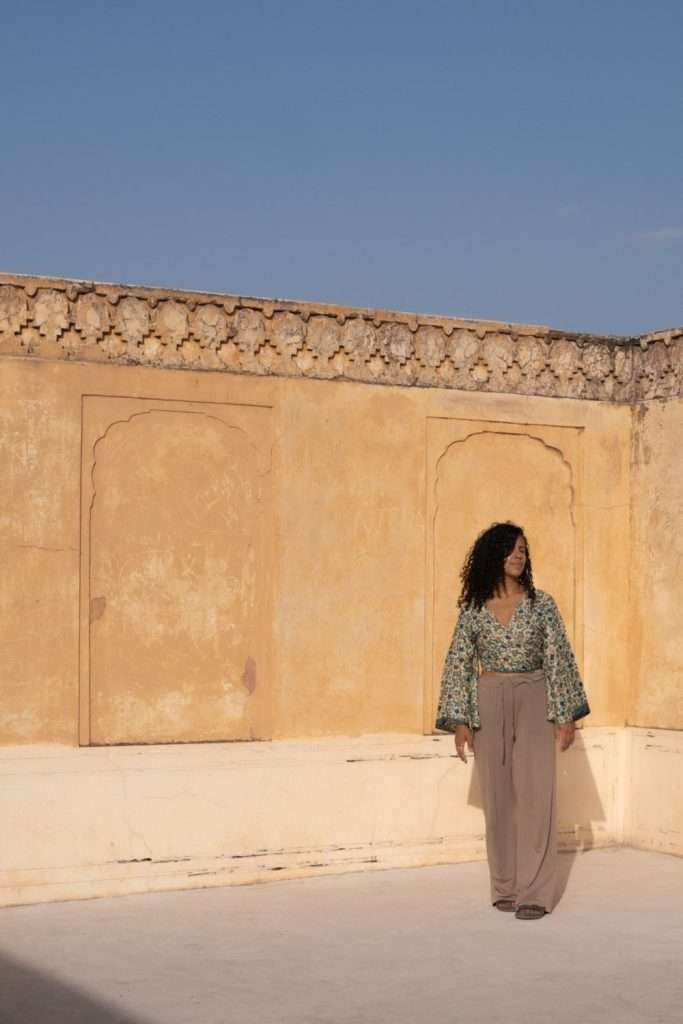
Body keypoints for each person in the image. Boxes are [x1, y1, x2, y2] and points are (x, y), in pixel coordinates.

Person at [435, 521, 590, 920]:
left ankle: (535, 892)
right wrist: (460, 722)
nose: (519, 555)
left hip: (535, 695)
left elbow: (558, 658)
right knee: (498, 797)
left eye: (523, 549)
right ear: (494, 555)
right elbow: (458, 663)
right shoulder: (472, 610)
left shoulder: (543, 604)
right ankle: (504, 885)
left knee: (538, 794)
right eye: (511, 549)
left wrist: (565, 715)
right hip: (489, 698)